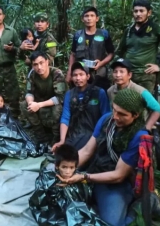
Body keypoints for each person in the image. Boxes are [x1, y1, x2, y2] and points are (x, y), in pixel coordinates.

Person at [57, 89, 150, 226]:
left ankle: (137, 206)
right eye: (114, 110)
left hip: (115, 182)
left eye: (122, 114)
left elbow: (119, 175)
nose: (116, 116)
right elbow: (87, 151)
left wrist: (84, 177)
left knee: (110, 223)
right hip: (96, 169)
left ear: (135, 115)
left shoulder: (138, 137)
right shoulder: (107, 119)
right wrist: (68, 169)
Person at [29, 144, 109, 226]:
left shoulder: (79, 178)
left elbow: (87, 197)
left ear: (76, 167)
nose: (68, 171)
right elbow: (38, 203)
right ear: (57, 166)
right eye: (64, 167)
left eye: (71, 167)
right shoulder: (48, 179)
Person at [115, 0, 160, 92]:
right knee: (124, 104)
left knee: (143, 105)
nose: (138, 14)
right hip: (128, 76)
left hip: (146, 77)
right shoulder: (129, 30)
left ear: (149, 13)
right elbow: (119, 52)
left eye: (141, 11)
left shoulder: (156, 29)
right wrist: (119, 70)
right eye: (136, 11)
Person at [52, 62, 110, 152]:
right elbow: (65, 117)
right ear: (71, 77)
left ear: (88, 76)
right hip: (74, 134)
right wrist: (62, 140)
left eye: (81, 74)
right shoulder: (69, 94)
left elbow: (106, 116)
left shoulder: (99, 92)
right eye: (75, 75)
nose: (78, 78)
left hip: (93, 135)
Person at [20, 51, 66, 144]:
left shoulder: (56, 73)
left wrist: (39, 105)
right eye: (35, 64)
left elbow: (60, 97)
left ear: (47, 62)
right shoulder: (32, 74)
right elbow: (28, 92)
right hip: (39, 102)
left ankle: (56, 138)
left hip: (53, 103)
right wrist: (30, 103)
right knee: (24, 104)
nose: (39, 67)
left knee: (58, 108)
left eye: (41, 63)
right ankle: (41, 136)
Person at [67, 6, 115, 91]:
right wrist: (70, 72)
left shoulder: (104, 34)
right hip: (81, 73)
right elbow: (73, 54)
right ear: (82, 19)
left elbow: (111, 53)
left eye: (92, 16)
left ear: (97, 18)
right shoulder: (78, 35)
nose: (89, 18)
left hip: (99, 73)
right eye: (86, 16)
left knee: (100, 95)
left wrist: (101, 63)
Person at [107, 58, 160, 131]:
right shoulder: (110, 91)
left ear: (129, 75)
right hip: (118, 126)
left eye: (121, 72)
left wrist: (147, 128)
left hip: (136, 127)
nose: (118, 75)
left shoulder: (139, 91)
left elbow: (157, 109)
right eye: (115, 72)